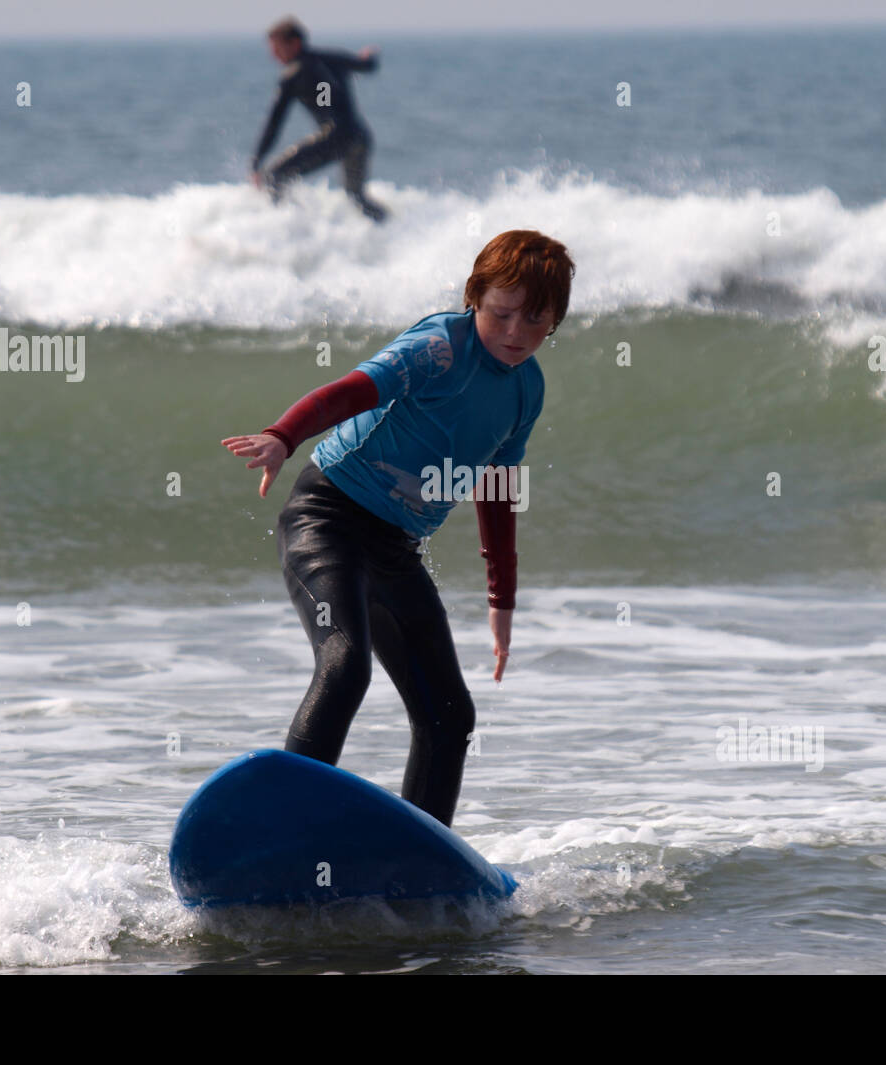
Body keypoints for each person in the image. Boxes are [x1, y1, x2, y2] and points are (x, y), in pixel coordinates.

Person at [221, 230, 575, 827]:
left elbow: (497, 488)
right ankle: (283, 829)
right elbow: (351, 392)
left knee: (449, 714)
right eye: (502, 313)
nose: (516, 332)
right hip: (327, 517)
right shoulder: (438, 346)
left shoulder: (526, 390)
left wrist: (501, 598)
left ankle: (422, 860)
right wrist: (284, 435)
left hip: (394, 548)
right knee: (345, 665)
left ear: (556, 320)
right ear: (474, 298)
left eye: (536, 320)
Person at [249, 16, 388, 222]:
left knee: (273, 179)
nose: (274, 55)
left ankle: (292, 229)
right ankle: (394, 229)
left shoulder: (293, 75)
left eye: (277, 48)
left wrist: (256, 161)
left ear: (294, 44)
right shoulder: (331, 58)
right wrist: (371, 54)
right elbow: (367, 65)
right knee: (356, 197)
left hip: (336, 137)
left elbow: (274, 122)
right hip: (359, 136)